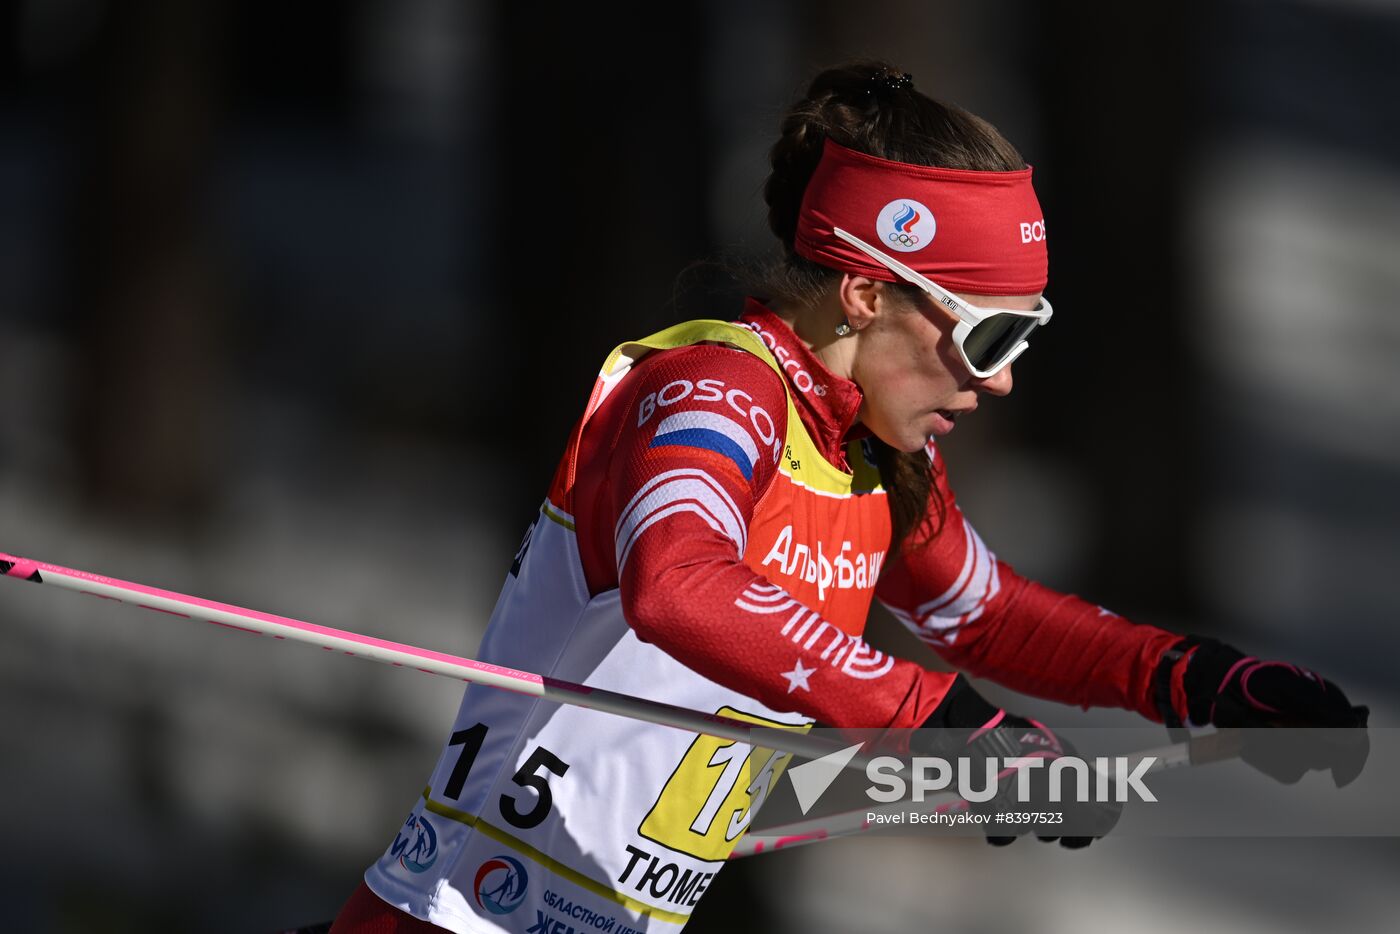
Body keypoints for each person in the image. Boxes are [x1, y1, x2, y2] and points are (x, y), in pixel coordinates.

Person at [328, 61, 1369, 933]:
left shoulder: (871, 459)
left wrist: (1196, 679)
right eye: (985, 336)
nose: (999, 378)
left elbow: (989, 617)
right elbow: (677, 586)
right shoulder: (711, 391)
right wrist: (924, 715)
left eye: (1024, 336)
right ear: (867, 292)